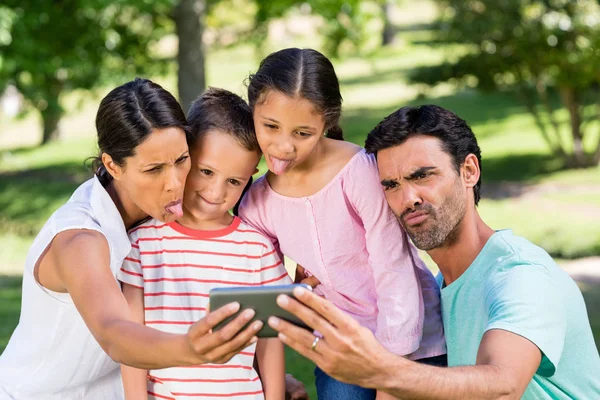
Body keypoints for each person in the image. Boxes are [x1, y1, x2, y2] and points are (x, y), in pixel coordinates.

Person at [267, 104, 600, 399]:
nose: (408, 198)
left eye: (422, 176)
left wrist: (380, 370)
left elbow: (503, 386)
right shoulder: (435, 292)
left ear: (469, 171)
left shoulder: (520, 275)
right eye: (391, 185)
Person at [0, 79, 278, 400]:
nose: (174, 183)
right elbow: (115, 333)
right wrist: (190, 349)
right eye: (154, 169)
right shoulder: (81, 238)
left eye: (181, 160)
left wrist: (254, 376)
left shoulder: (159, 218)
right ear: (112, 166)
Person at [238, 48, 446, 400]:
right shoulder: (257, 204)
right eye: (270, 126)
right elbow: (267, 295)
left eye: (302, 133)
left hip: (412, 343)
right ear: (253, 111)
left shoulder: (358, 171)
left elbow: (393, 268)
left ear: (326, 122)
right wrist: (295, 291)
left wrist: (392, 373)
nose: (283, 146)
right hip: (338, 345)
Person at [117, 88, 291, 400]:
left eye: (234, 181)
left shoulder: (258, 250)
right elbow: (132, 339)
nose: (215, 191)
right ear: (184, 158)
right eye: (206, 171)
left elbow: (270, 340)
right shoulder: (143, 243)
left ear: (251, 175)